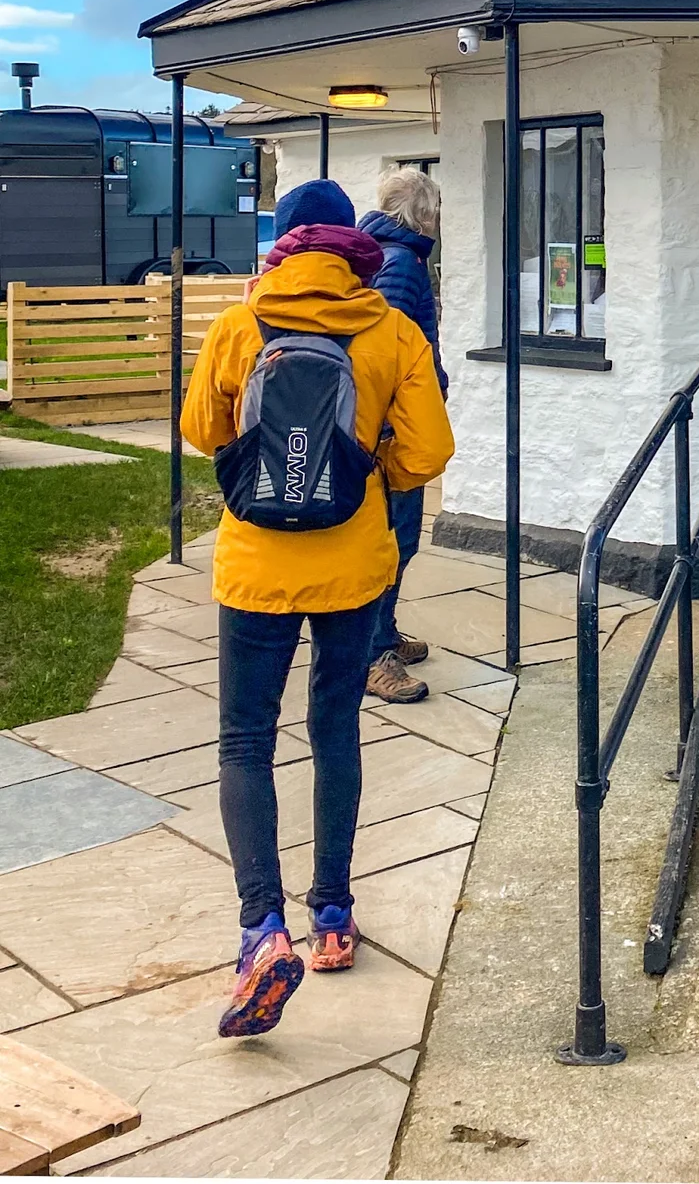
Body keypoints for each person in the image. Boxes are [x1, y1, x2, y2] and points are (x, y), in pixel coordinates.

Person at [182, 177, 453, 1040]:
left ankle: (261, 929)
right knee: (333, 730)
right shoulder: (391, 328)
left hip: (255, 567)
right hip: (351, 568)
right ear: (354, 247)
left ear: (289, 245)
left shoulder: (240, 320)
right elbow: (428, 453)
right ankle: (332, 915)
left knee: (243, 741)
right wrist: (371, 464)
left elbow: (200, 430)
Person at [358, 166, 447, 704]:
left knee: (396, 537)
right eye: (435, 209)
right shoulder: (401, 262)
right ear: (423, 212)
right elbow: (385, 351)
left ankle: (382, 635)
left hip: (388, 427)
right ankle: (374, 656)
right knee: (395, 540)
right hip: (393, 432)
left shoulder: (384, 252)